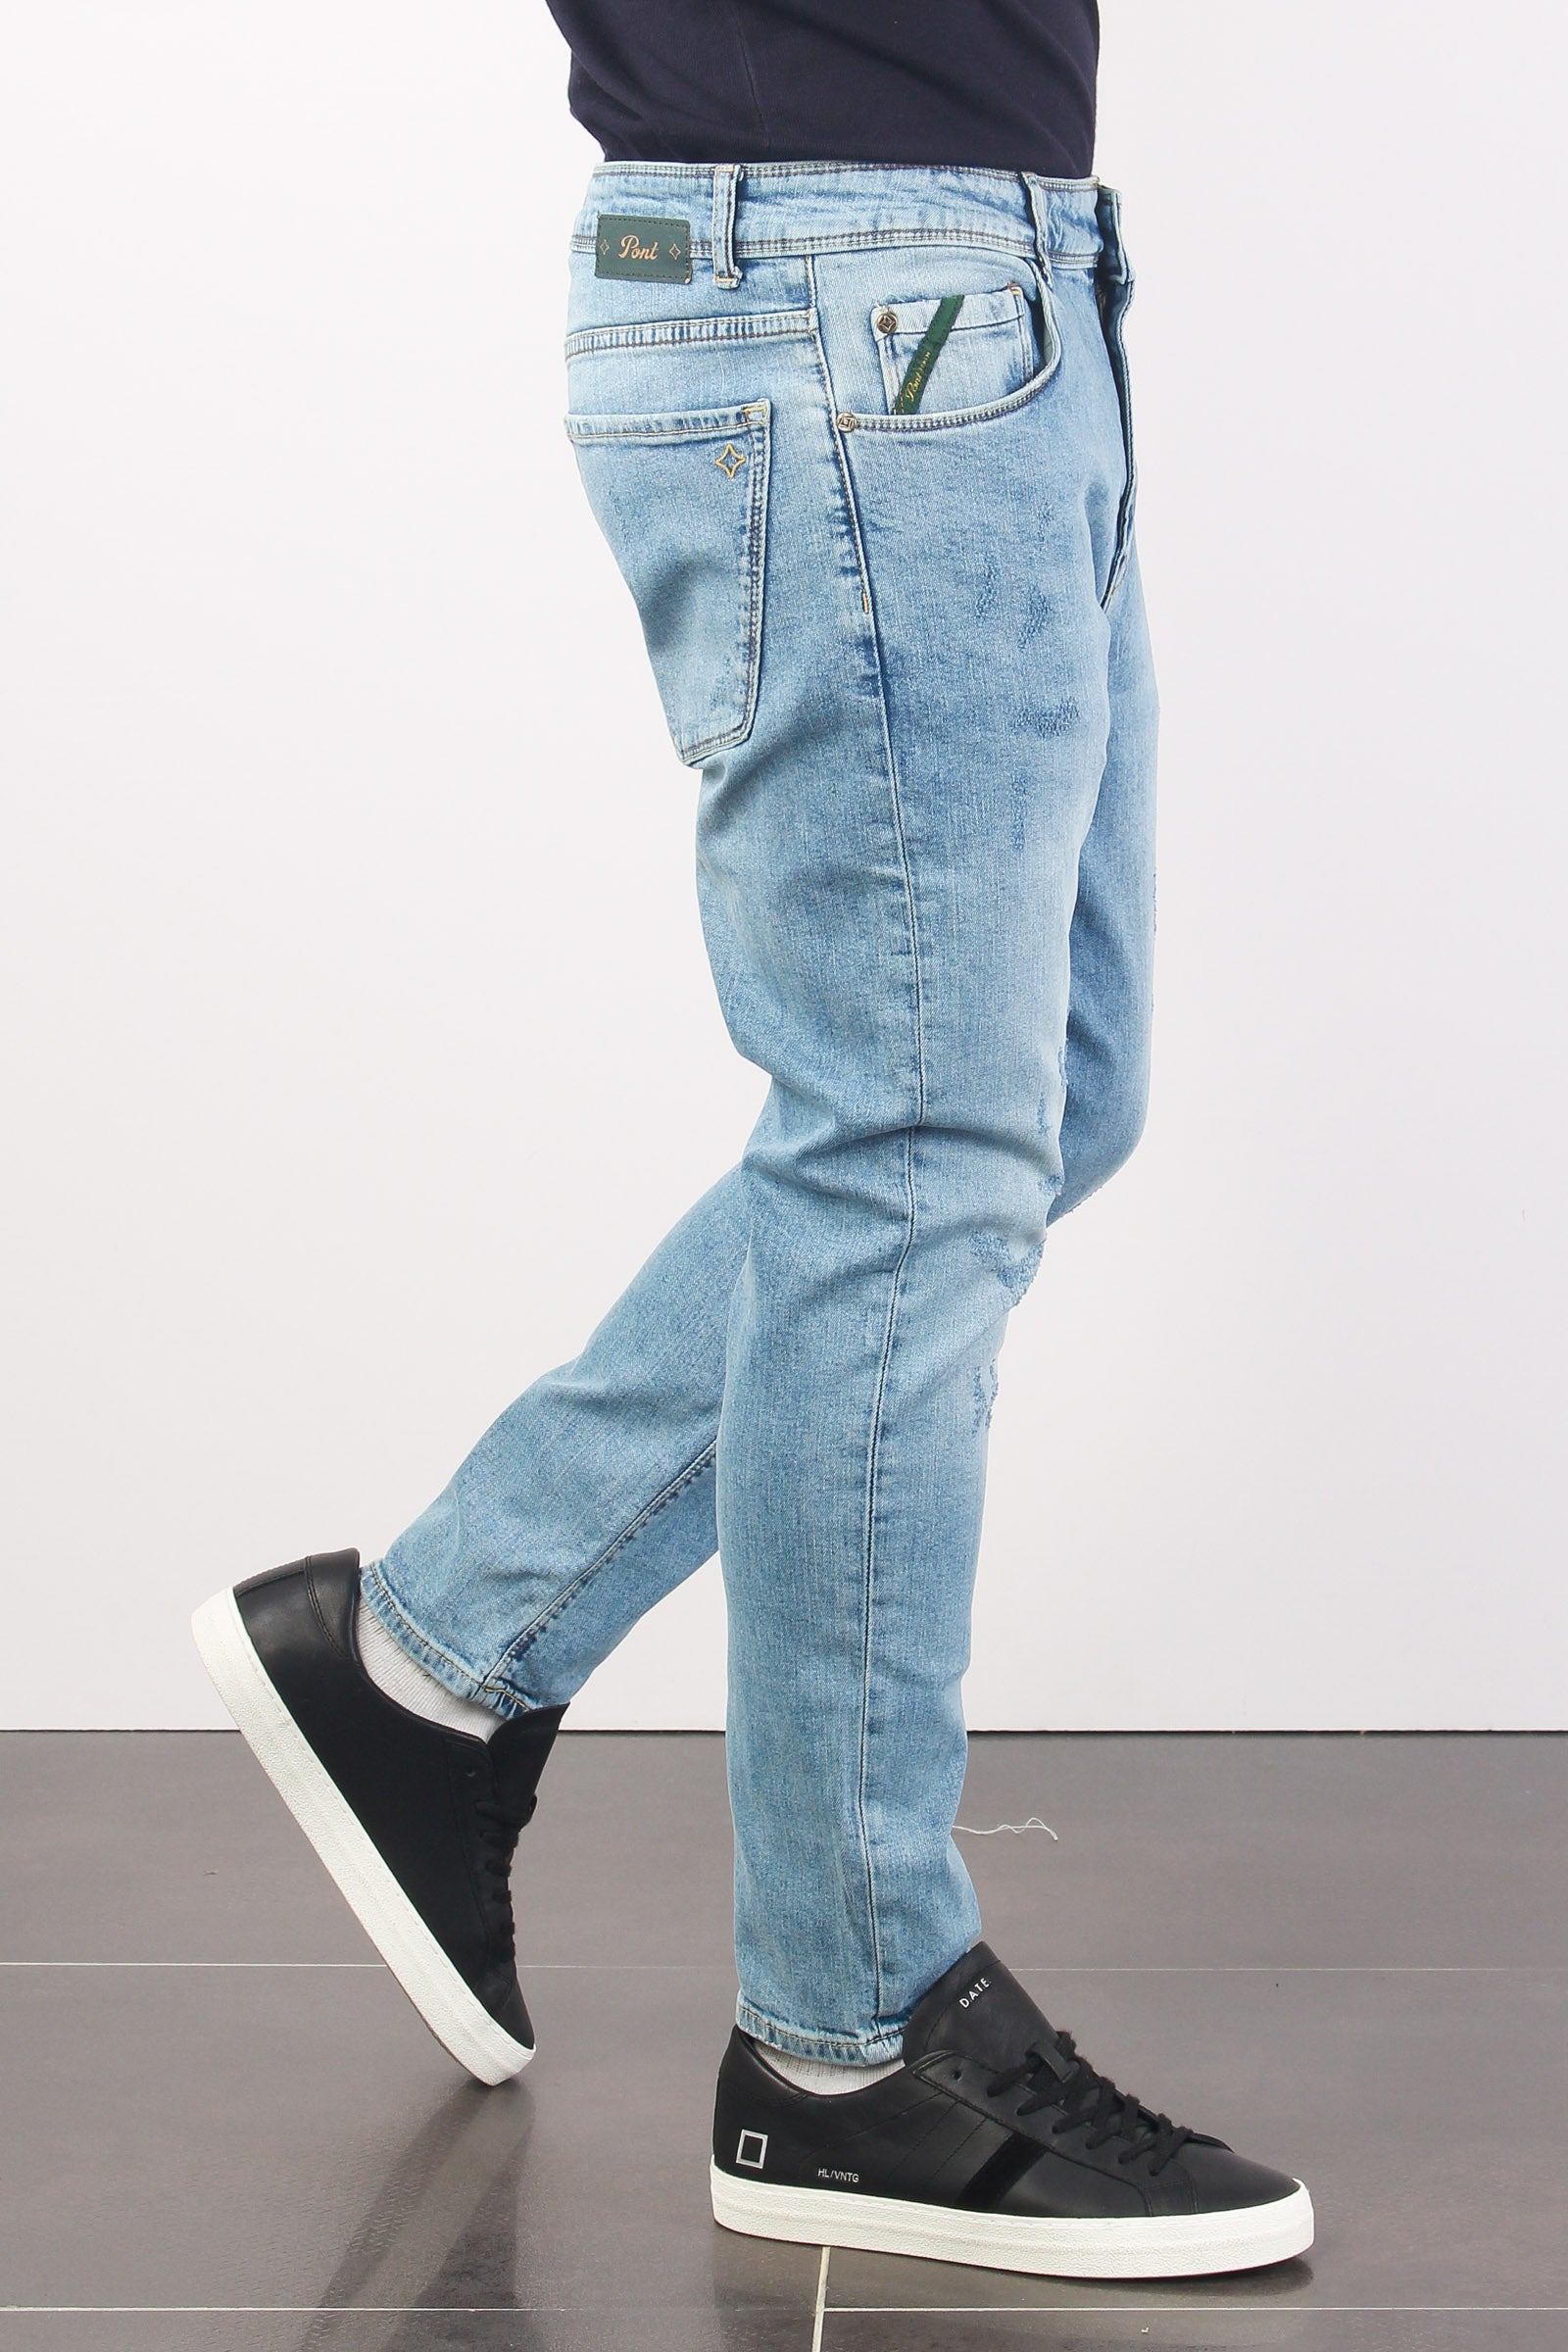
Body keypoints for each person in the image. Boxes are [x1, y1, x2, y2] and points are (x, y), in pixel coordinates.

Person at [193, 0, 1315, 2281]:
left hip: (961, 282)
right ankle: (848, 2036)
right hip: (861, 286)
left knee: (1027, 1097)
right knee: (904, 1143)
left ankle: (430, 1657)